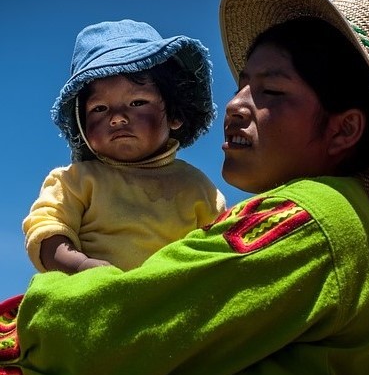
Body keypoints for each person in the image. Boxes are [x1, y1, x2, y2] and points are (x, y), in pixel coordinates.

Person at [0, 0, 369, 375]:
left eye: (271, 91)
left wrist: (38, 328)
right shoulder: (349, 224)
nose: (236, 105)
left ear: (343, 129)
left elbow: (97, 337)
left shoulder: (310, 218)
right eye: (242, 84)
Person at [22, 19, 226, 274]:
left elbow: (221, 249)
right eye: (99, 109)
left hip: (172, 303)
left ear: (175, 115)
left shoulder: (198, 187)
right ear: (83, 127)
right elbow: (45, 229)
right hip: (93, 298)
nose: (117, 117)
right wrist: (81, 267)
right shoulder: (74, 181)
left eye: (137, 102)